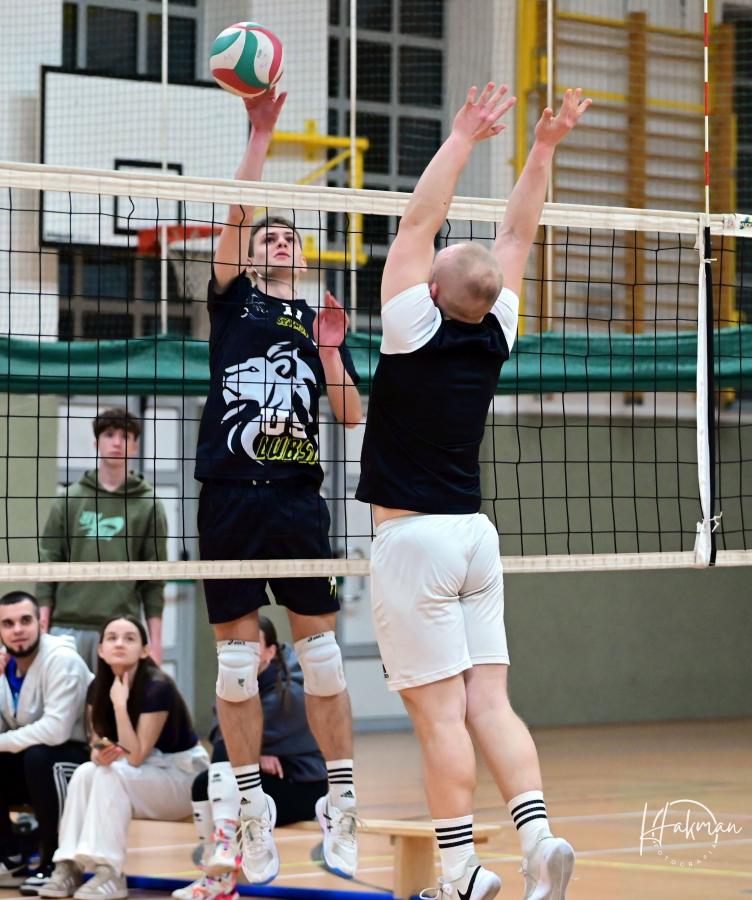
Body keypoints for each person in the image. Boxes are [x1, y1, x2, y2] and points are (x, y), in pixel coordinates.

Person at [356, 84, 592, 900]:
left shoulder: (410, 326)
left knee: (439, 716)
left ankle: (460, 872)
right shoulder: (498, 330)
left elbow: (417, 223)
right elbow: (518, 232)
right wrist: (543, 146)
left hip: (414, 541)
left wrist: (461, 136)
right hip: (473, 539)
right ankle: (538, 838)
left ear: (431, 291)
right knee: (490, 701)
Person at [195, 87, 362, 887]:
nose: (277, 240)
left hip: (297, 499)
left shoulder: (319, 317)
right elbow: (236, 216)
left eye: (289, 236)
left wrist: (331, 350)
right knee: (236, 667)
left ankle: (343, 805)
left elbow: (352, 414)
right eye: (268, 235)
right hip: (230, 492)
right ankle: (251, 813)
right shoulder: (235, 304)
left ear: (302, 254)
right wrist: (259, 135)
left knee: (322, 658)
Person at [39, 616, 208, 900]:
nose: (119, 644)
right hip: (137, 774)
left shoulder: (158, 686)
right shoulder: (97, 687)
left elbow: (136, 756)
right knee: (85, 771)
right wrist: (98, 754)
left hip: (182, 778)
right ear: (101, 650)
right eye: (112, 638)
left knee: (111, 775)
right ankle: (68, 865)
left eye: (129, 638)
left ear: (144, 650)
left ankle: (110, 872)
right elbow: (97, 743)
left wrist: (120, 705)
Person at [173, 616, 328, 900]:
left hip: (300, 784)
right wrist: (256, 752)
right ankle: (216, 869)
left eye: (253, 645)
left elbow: (231, 738)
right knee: (202, 784)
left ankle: (222, 855)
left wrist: (251, 751)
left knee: (228, 754)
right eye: (239, 644)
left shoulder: (291, 688)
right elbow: (219, 733)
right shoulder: (233, 679)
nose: (244, 652)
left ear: (270, 651)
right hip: (260, 775)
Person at [37, 407, 168, 670]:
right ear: (96, 443)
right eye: (109, 434)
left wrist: (155, 642)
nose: (117, 442)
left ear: (135, 446)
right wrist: (43, 630)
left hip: (122, 630)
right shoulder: (69, 499)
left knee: (118, 698)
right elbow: (48, 565)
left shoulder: (149, 504)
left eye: (125, 436)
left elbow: (154, 580)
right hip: (66, 629)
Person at [0, 591, 92, 895]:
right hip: (33, 763)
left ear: (41, 623)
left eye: (25, 620)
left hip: (81, 760)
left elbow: (56, 731)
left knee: (40, 757)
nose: (17, 630)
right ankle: (9, 856)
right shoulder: (4, 665)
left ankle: (57, 861)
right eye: (8, 623)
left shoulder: (61, 659)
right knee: (32, 757)